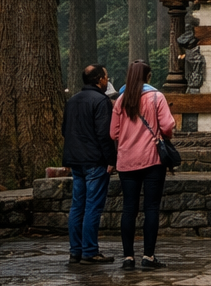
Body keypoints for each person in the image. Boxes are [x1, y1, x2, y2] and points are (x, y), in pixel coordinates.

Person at [110, 60, 174, 271]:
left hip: (127, 161)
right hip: (152, 159)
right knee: (151, 208)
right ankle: (149, 256)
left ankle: (128, 257)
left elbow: (113, 133)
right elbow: (167, 125)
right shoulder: (157, 97)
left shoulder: (120, 100)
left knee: (129, 209)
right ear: (148, 77)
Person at [63, 64, 116, 265]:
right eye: (106, 77)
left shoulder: (73, 101)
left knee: (77, 205)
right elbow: (105, 134)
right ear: (99, 80)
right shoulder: (101, 101)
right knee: (93, 205)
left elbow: (64, 130)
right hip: (94, 160)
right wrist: (111, 159)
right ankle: (90, 250)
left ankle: (75, 250)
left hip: (75, 159)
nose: (107, 80)